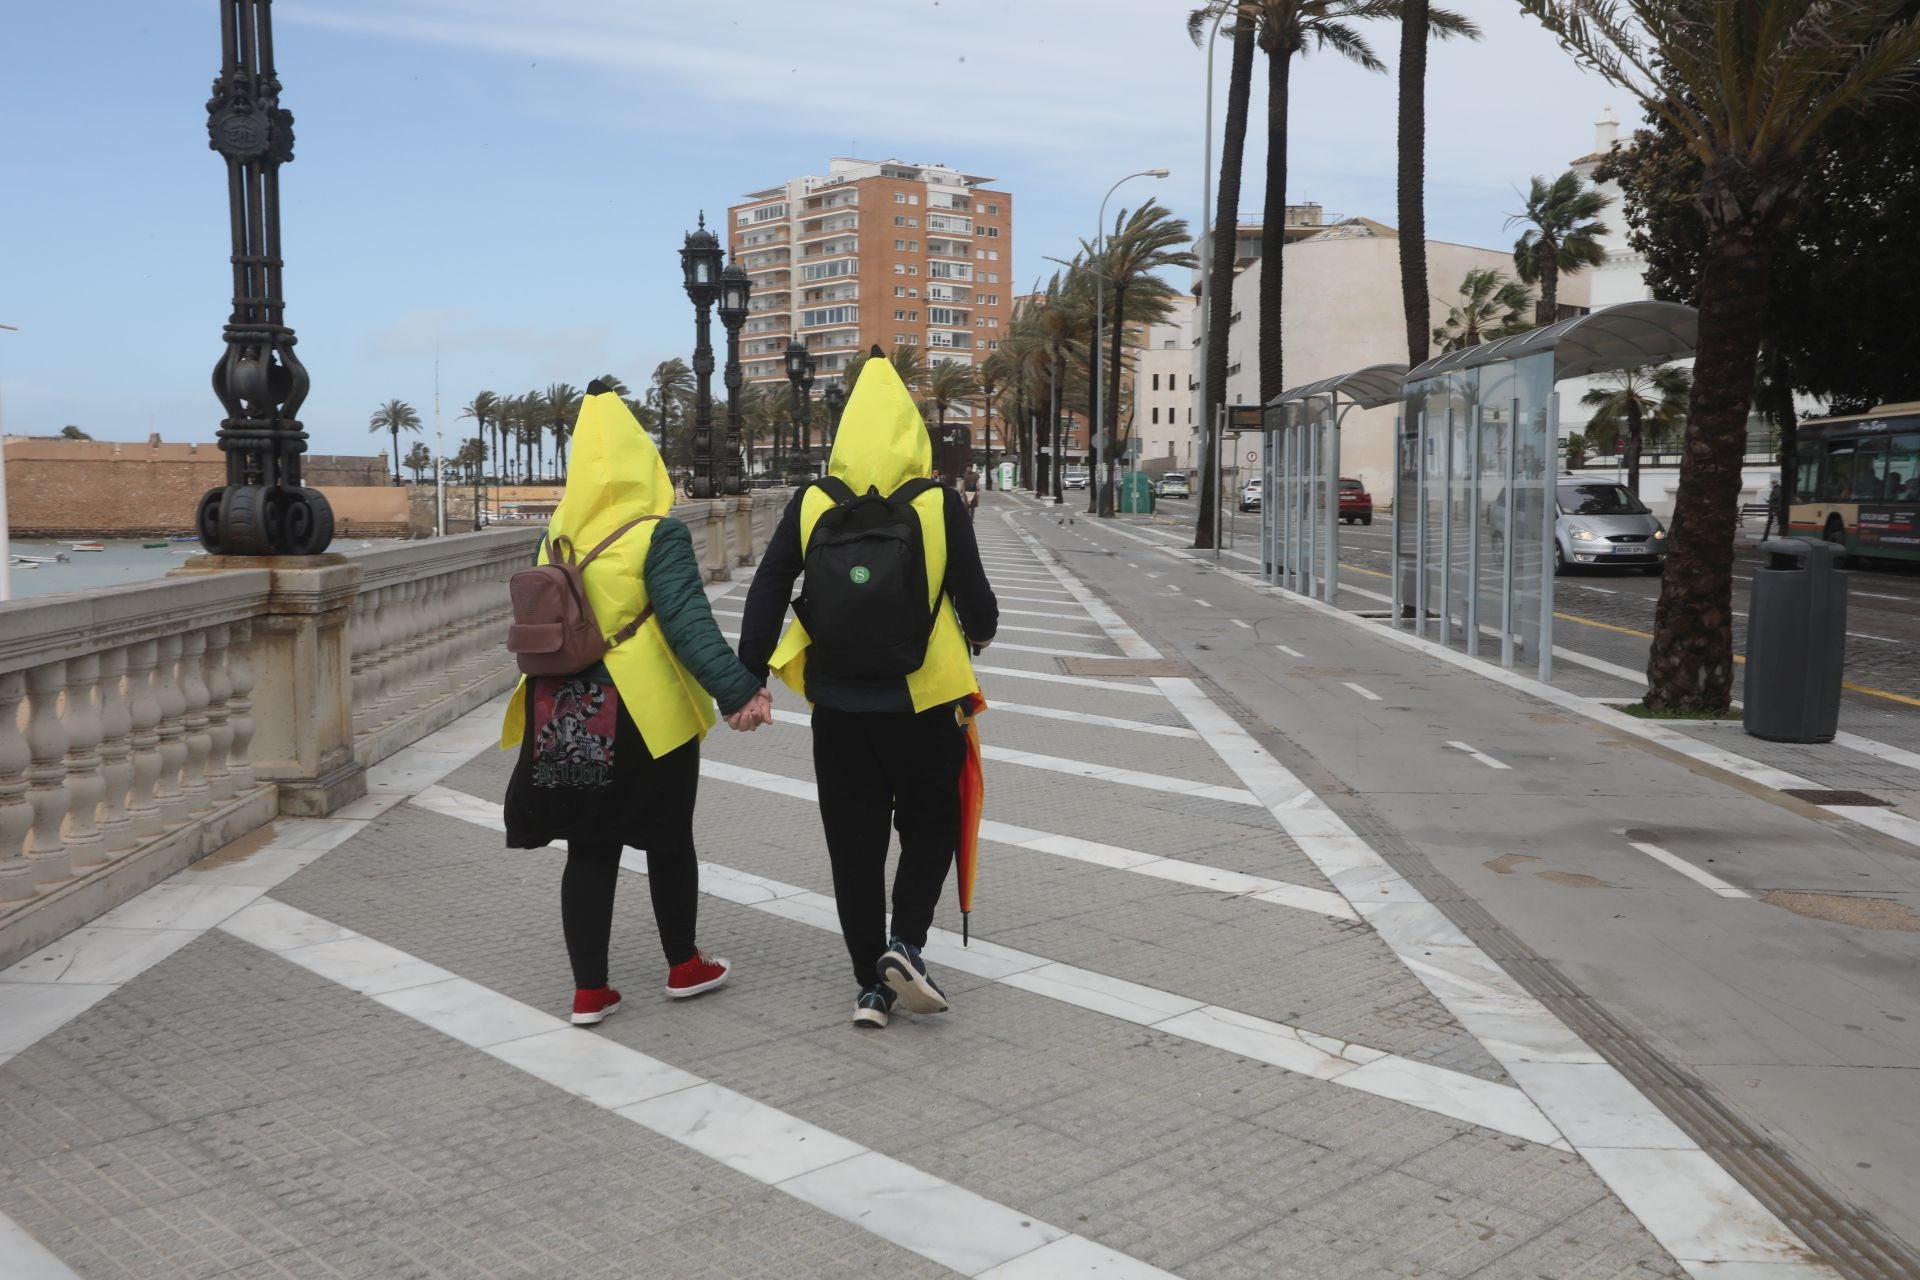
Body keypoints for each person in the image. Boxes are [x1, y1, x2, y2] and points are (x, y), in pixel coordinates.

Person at [736, 352, 998, 1030]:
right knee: (929, 827)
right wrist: (978, 631)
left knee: (853, 845)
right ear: (913, 434)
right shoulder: (938, 502)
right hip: (928, 702)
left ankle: (869, 987)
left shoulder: (812, 501)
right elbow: (982, 608)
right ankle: (905, 944)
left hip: (839, 704)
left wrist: (748, 679)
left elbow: (767, 589)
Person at [502, 384, 773, 1028]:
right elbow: (688, 624)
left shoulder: (555, 537)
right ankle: (684, 966)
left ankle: (590, 993)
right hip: (645, 716)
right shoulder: (657, 535)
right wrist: (739, 691)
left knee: (589, 849)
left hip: (566, 711)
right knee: (668, 840)